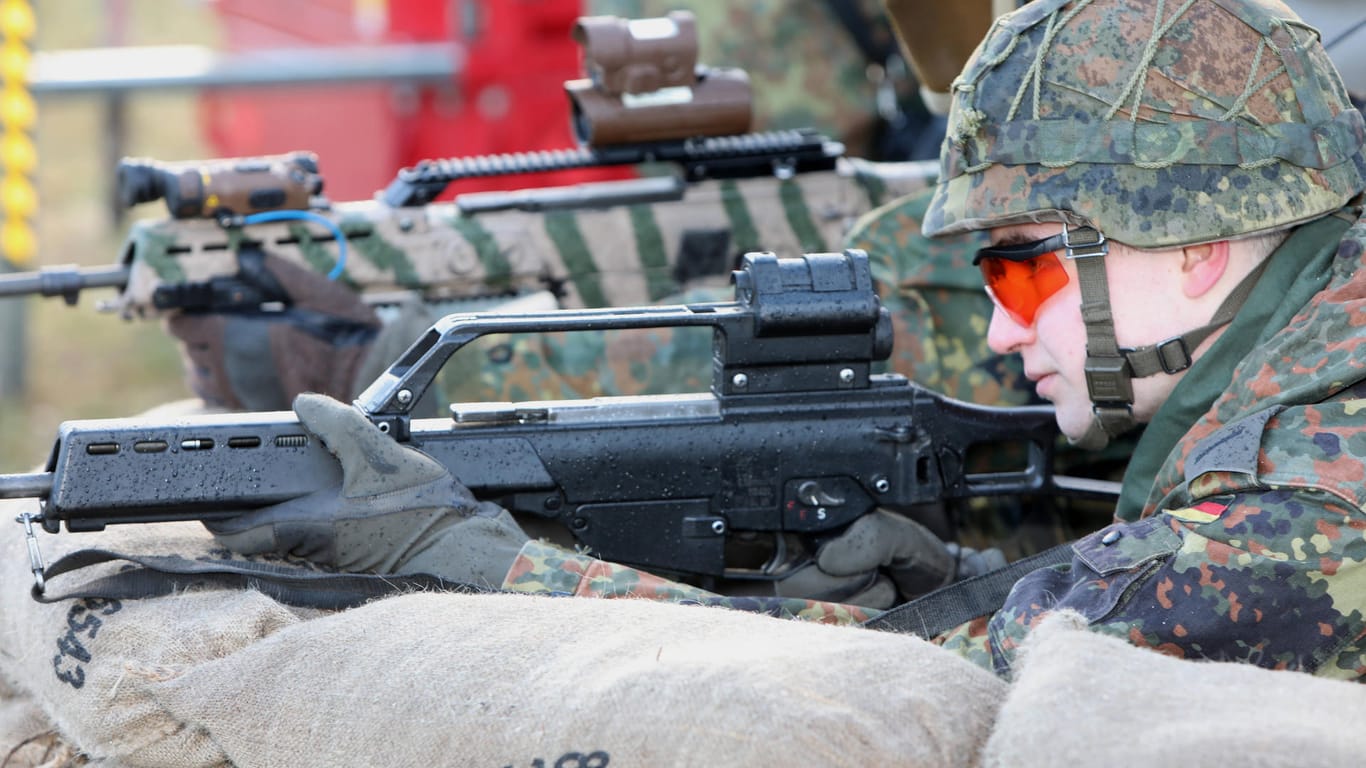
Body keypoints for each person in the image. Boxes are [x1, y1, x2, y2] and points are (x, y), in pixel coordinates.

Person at [216, 0, 1366, 679]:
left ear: (1194, 244)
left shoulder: (1300, 501)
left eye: (1023, 262)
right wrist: (966, 579)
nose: (1002, 326)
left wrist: (469, 561)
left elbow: (940, 689)